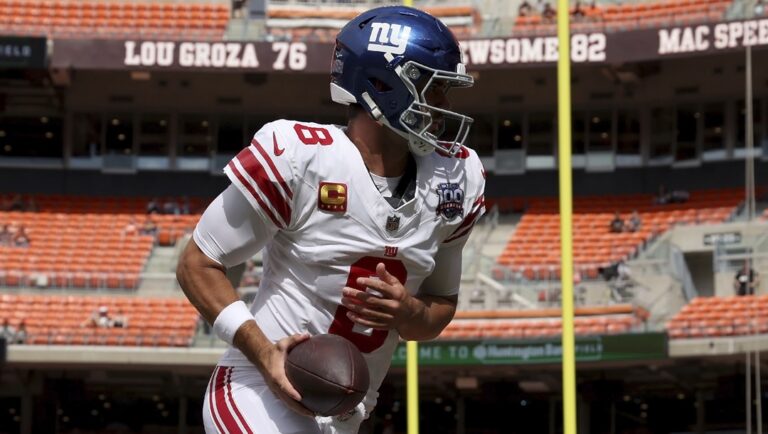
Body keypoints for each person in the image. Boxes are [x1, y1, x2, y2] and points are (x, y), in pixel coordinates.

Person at [176, 6, 485, 434]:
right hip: (256, 393)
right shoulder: (302, 156)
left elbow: (438, 310)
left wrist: (407, 309)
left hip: (346, 413)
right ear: (384, 85)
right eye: (433, 90)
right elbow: (198, 263)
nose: (445, 105)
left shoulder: (456, 177)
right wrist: (265, 355)